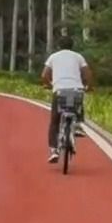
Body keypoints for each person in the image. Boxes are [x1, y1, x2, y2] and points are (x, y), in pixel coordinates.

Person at [40, 33, 93, 163]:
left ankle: (54, 150)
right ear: (72, 46)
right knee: (77, 103)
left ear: (59, 46)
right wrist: (88, 86)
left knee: (55, 121)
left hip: (59, 91)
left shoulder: (53, 57)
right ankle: (78, 125)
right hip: (75, 90)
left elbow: (44, 75)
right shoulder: (78, 57)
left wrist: (49, 84)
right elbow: (88, 73)